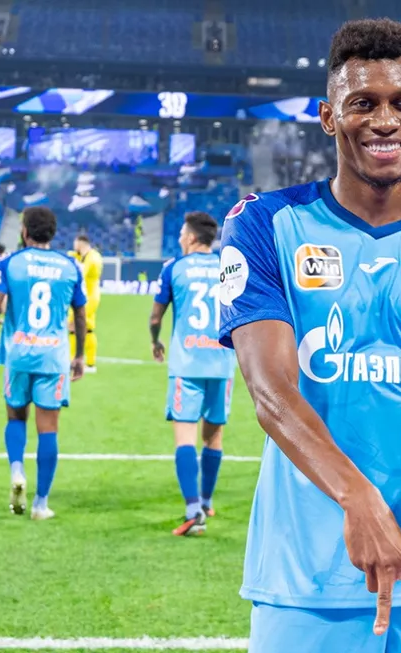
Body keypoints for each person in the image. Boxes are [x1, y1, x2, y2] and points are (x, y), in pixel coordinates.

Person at [217, 18, 401, 652]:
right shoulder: (265, 225)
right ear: (329, 117)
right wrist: (358, 499)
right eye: (362, 103)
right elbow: (271, 390)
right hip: (308, 578)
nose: (385, 121)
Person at [0, 207, 87, 520]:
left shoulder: (9, 263)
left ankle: (17, 470)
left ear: (25, 232)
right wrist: (80, 354)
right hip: (53, 357)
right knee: (48, 430)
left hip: (18, 353)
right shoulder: (70, 266)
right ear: (53, 233)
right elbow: (80, 314)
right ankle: (41, 504)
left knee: (16, 417)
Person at [149, 212, 237, 536]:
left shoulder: (174, 267)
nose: (179, 239)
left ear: (190, 238)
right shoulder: (228, 266)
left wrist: (155, 340)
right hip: (221, 362)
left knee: (185, 437)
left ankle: (192, 511)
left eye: (182, 235)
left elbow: (156, 317)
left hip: (187, 364)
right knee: (213, 436)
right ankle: (207, 501)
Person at [68, 234, 103, 373]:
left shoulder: (93, 258)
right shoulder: (84, 256)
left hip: (89, 297)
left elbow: (81, 273)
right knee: (84, 328)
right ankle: (86, 362)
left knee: (75, 325)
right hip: (86, 296)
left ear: (80, 243)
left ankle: (78, 360)